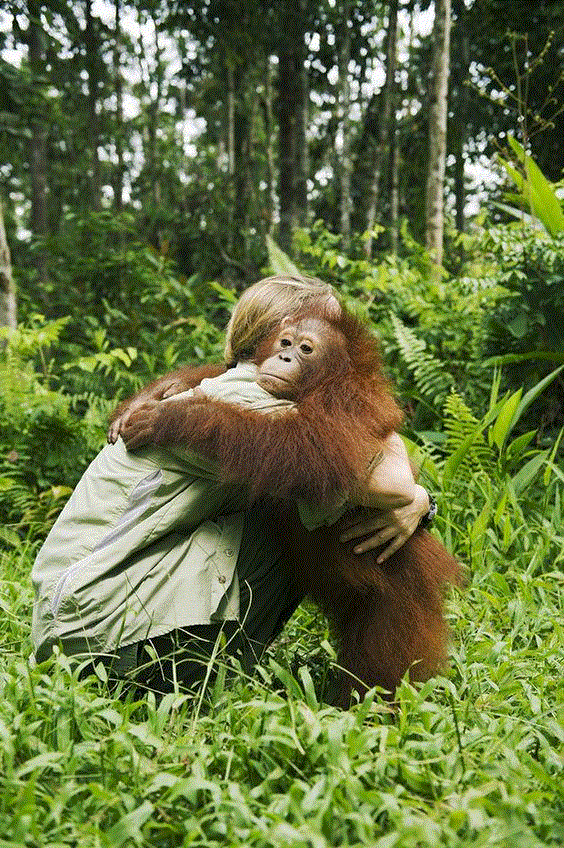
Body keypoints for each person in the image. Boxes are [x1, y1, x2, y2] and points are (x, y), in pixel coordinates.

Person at [31, 275, 430, 694]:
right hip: (101, 637)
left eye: (313, 347)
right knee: (330, 504)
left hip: (74, 629)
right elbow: (387, 480)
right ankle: (384, 688)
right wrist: (413, 496)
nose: (288, 359)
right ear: (268, 336)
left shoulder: (221, 388)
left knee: (310, 490)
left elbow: (359, 447)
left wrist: (420, 500)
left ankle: (375, 681)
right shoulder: (243, 397)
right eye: (287, 343)